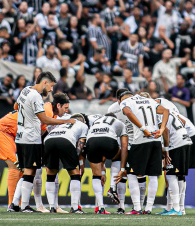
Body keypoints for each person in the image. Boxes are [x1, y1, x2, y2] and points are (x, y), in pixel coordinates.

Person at [14, 72, 75, 213]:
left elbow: (16, 106)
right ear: (45, 83)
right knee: (30, 171)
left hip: (21, 135)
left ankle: (21, 205)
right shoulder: (36, 96)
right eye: (51, 86)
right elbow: (45, 120)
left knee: (27, 171)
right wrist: (66, 121)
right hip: (31, 137)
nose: (51, 90)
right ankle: (24, 206)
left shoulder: (26, 89)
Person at [118, 90, 170, 215]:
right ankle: (149, 208)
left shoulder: (126, 102)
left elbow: (128, 112)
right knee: (153, 175)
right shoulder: (150, 100)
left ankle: (137, 208)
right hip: (156, 140)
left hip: (141, 140)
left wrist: (143, 129)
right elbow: (166, 111)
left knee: (131, 174)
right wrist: (161, 129)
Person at [42, 113, 88, 214]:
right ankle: (75, 207)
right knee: (74, 174)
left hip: (48, 141)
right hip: (66, 140)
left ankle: (52, 208)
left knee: (51, 173)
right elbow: (81, 143)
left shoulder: (61, 124)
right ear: (81, 121)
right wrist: (74, 159)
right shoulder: (83, 125)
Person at [85, 113, 129, 214]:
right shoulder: (119, 123)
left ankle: (100, 207)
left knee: (96, 175)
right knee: (117, 157)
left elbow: (100, 148)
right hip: (108, 140)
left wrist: (103, 172)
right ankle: (112, 188)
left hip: (91, 141)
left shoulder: (96, 121)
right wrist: (122, 169)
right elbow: (124, 147)